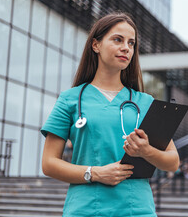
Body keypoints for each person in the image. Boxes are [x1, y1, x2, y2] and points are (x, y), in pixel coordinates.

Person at [41, 12, 180, 217]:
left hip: (137, 210)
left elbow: (173, 161)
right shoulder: (70, 99)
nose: (126, 47)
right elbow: (49, 163)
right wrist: (95, 173)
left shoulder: (145, 102)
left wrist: (146, 151)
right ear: (95, 45)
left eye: (131, 43)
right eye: (118, 40)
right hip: (85, 210)